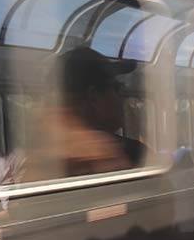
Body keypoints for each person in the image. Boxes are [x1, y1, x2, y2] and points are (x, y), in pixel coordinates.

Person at [39, 47, 147, 178]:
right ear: (93, 96)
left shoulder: (34, 158)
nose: (122, 98)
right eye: (117, 88)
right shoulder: (124, 155)